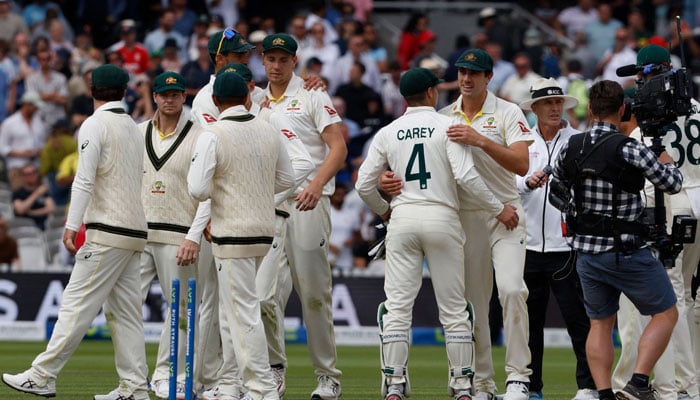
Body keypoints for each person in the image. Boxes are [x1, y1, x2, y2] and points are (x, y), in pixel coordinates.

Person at [356, 67, 517, 400]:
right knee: (455, 309)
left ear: (404, 96)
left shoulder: (389, 131)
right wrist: (498, 208)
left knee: (398, 307)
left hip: (402, 219)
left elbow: (362, 185)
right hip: (443, 218)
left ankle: (395, 384)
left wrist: (384, 210)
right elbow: (468, 178)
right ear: (432, 93)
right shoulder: (449, 127)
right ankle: (462, 387)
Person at [2, 64, 150, 400]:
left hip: (106, 230)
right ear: (125, 91)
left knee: (74, 305)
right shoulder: (133, 126)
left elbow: (84, 179)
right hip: (134, 232)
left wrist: (72, 226)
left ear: (91, 90)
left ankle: (42, 375)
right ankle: (135, 387)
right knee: (125, 313)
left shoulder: (93, 125)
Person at [551, 79, 681, 400]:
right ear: (623, 110)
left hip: (587, 253)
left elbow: (556, 196)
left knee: (599, 325)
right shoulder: (630, 148)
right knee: (666, 313)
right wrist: (661, 152)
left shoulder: (572, 145)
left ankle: (605, 394)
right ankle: (638, 382)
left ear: (591, 110)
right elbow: (673, 183)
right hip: (626, 249)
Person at [188, 70, 295, 400]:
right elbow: (288, 180)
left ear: (217, 101)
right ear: (249, 99)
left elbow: (197, 188)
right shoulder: (268, 128)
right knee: (229, 311)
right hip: (263, 231)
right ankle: (231, 385)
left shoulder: (212, 133)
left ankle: (262, 388)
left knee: (243, 311)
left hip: (231, 233)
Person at [437, 48, 533, 400]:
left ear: (488, 77)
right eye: (462, 71)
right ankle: (482, 382)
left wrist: (479, 139)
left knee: (511, 291)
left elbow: (522, 164)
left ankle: (518, 377)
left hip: (506, 215)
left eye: (473, 73)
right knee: (474, 303)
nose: (465, 78)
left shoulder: (508, 112)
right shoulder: (444, 116)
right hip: (468, 217)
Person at [611, 45, 700, 400]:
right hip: (699, 198)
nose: (639, 80)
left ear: (656, 71)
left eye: (643, 73)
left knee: (672, 299)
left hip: (674, 202)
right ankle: (691, 381)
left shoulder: (653, 114)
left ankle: (683, 386)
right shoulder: (696, 108)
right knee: (691, 300)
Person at [261, 33, 347, 400]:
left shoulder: (313, 93)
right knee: (263, 296)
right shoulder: (253, 99)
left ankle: (328, 376)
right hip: (267, 208)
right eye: (271, 59)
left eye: (283, 59)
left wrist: (316, 184)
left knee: (313, 294)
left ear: (295, 61)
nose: (276, 66)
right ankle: (273, 369)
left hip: (308, 203)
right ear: (263, 61)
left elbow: (339, 146)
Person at [515, 78, 597, 400]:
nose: (553, 108)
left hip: (568, 246)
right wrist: (526, 183)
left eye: (557, 103)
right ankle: (531, 387)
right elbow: (508, 186)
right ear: (534, 108)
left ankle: (588, 385)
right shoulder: (520, 142)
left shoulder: (578, 140)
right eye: (547, 103)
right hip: (529, 244)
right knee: (529, 324)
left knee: (578, 320)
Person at [137, 71, 208, 400]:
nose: (169, 99)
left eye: (175, 94)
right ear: (154, 97)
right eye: (163, 94)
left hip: (179, 234)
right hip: (137, 233)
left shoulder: (199, 135)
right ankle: (132, 380)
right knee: (123, 307)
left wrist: (193, 236)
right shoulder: (138, 133)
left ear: (184, 97)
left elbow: (208, 190)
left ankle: (167, 374)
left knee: (181, 309)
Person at [0, 91, 47, 190]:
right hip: (17, 168)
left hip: (35, 167)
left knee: (38, 199)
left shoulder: (39, 122)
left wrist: (39, 150)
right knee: (21, 199)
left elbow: (43, 143)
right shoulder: (9, 123)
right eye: (35, 106)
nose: (36, 109)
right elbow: (2, 147)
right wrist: (20, 153)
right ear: (27, 105)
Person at [12, 162, 56, 230]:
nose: (32, 175)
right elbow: (20, 210)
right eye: (28, 174)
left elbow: (51, 208)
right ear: (23, 176)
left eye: (34, 172)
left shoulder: (43, 190)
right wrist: (36, 194)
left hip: (43, 226)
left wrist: (32, 212)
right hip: (24, 227)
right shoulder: (18, 193)